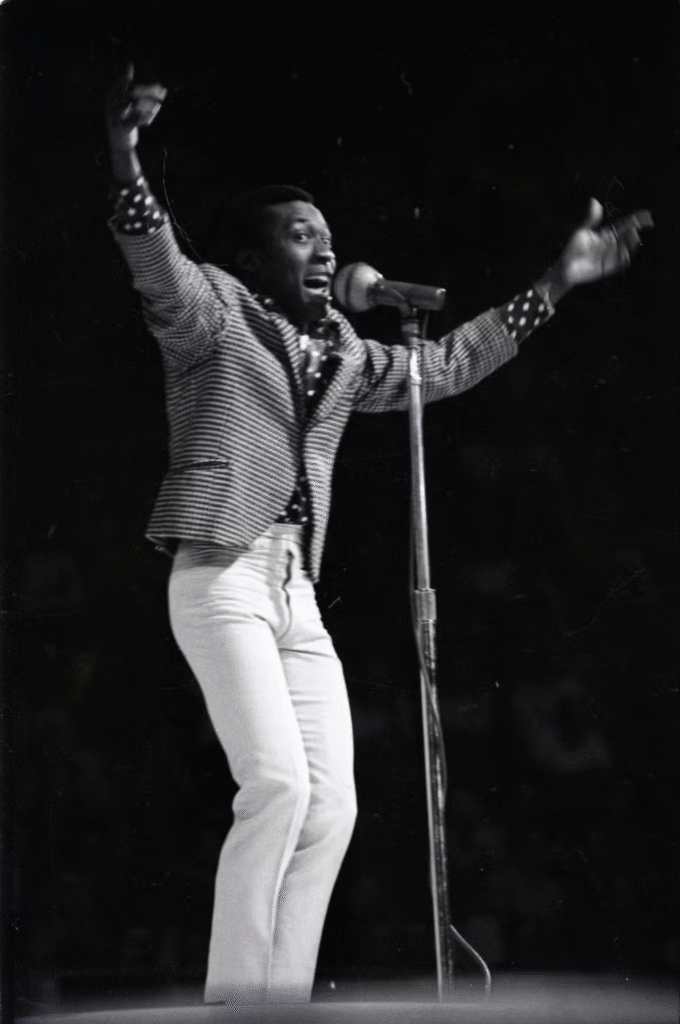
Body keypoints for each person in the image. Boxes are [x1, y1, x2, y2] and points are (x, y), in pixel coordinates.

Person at [104, 65, 652, 1006]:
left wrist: (557, 281)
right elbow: (151, 246)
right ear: (253, 259)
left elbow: (450, 362)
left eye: (327, 235)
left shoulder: (346, 354)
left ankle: (280, 1001)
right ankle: (236, 1004)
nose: (325, 249)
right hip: (222, 576)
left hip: (294, 593)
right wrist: (122, 150)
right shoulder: (209, 313)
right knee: (276, 785)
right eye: (299, 235)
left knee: (332, 806)